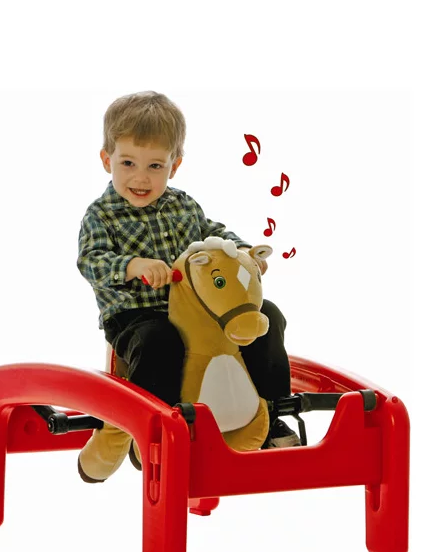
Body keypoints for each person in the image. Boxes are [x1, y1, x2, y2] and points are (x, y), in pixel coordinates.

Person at [76, 91, 299, 482]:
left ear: (174, 166)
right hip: (136, 315)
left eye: (155, 165)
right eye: (128, 163)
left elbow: (214, 235)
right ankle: (153, 430)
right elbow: (90, 260)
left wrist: (243, 252)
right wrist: (132, 266)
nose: (140, 177)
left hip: (197, 314)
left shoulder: (184, 206)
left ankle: (273, 411)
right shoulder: (101, 215)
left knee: (266, 316)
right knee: (160, 340)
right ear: (106, 160)